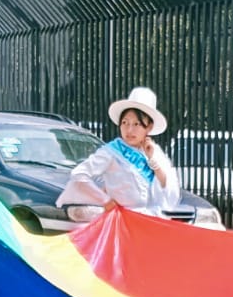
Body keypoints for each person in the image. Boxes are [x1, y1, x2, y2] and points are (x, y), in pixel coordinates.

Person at [57, 86, 182, 218]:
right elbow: (79, 174)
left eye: (137, 124)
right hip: (121, 221)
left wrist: (152, 160)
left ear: (149, 126)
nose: (129, 130)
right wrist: (105, 200)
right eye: (125, 122)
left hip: (149, 221)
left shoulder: (154, 152)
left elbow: (166, 187)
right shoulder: (111, 152)